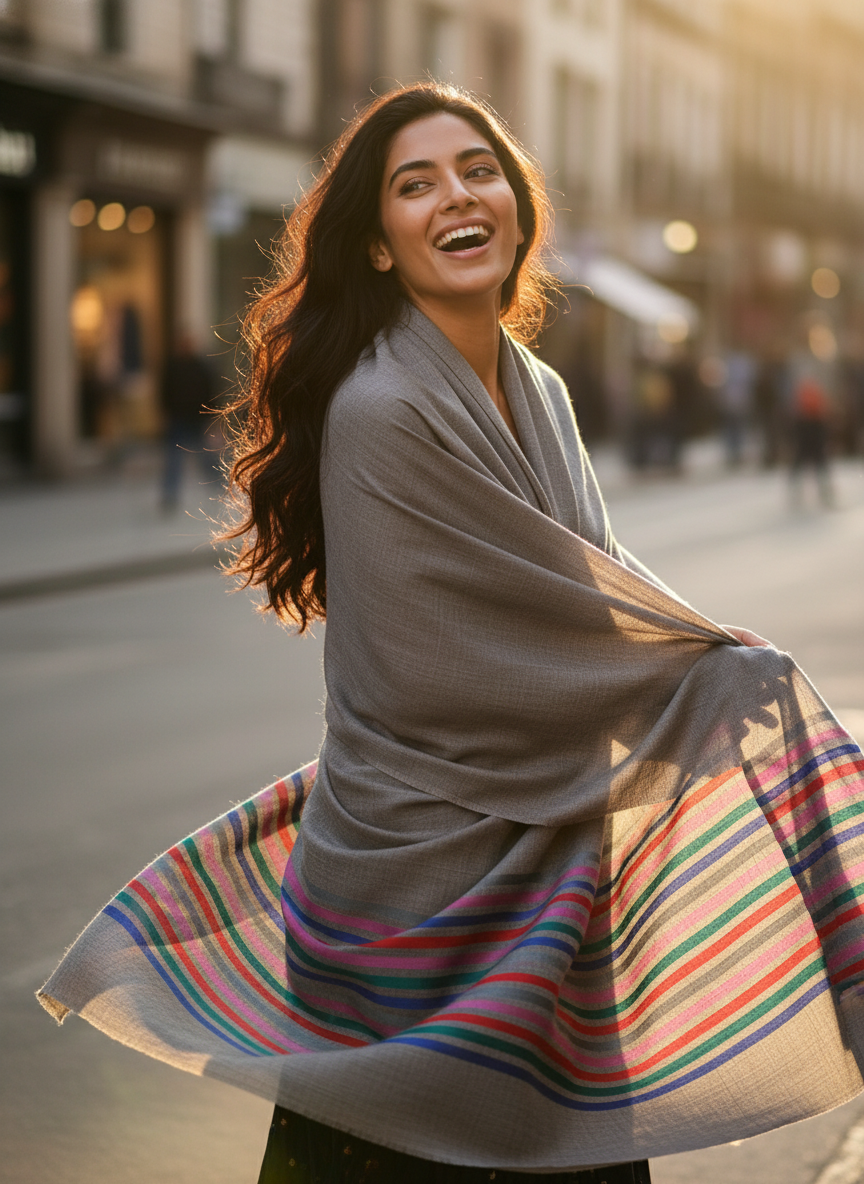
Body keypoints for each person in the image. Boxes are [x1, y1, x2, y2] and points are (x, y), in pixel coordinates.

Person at [39, 84, 864, 1183]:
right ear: (378, 245)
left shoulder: (544, 391)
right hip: (413, 887)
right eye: (413, 184)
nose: (454, 196)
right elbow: (469, 673)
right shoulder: (380, 410)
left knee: (564, 1154)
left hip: (552, 874)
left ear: (515, 207)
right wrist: (708, 671)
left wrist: (706, 657)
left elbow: (598, 595)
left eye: (477, 170)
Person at [159, 329, 222, 511]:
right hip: (178, 418)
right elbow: (165, 391)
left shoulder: (201, 366)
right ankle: (170, 495)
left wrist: (211, 416)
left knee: (206, 457)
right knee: (174, 459)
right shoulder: (173, 366)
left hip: (197, 418)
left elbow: (210, 392)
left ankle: (221, 486)